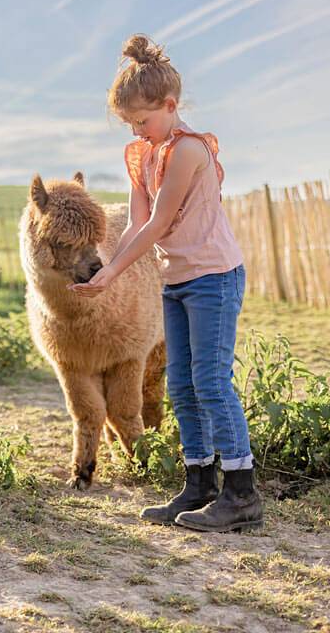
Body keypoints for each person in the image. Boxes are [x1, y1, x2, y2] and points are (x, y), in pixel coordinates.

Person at [70, 34, 262, 533]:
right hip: (173, 280)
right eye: (130, 123)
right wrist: (109, 266)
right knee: (180, 383)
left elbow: (157, 222)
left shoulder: (189, 152)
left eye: (143, 120)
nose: (137, 129)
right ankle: (197, 485)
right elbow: (135, 224)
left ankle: (241, 493)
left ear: (170, 105)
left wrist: (111, 274)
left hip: (213, 277)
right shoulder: (141, 154)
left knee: (212, 382)